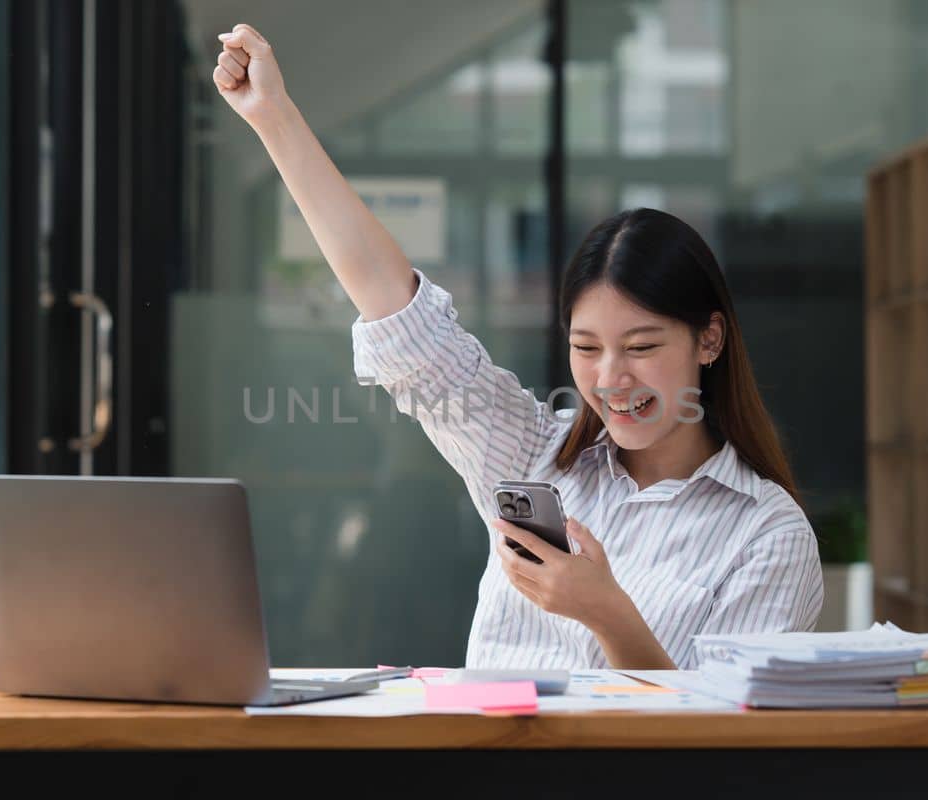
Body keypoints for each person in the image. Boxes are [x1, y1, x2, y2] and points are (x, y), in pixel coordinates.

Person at [213, 23, 821, 670]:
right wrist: (274, 118)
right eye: (587, 347)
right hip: (485, 764)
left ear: (709, 339)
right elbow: (400, 315)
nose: (611, 376)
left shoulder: (768, 534)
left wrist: (608, 614)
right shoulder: (535, 455)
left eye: (641, 346)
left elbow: (727, 753)